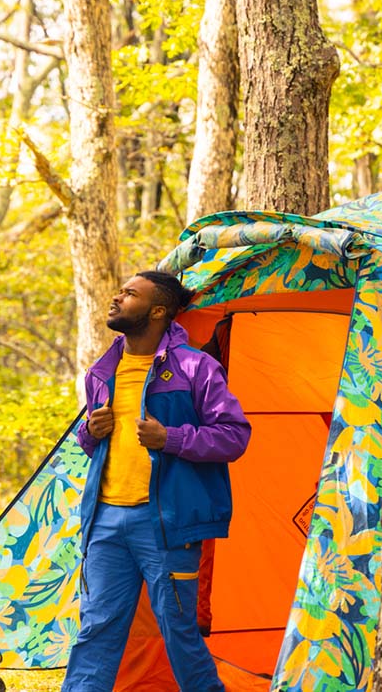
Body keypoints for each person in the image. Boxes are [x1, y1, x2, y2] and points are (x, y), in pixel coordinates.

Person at [61, 270, 251, 692]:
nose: (117, 298)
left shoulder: (195, 368)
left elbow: (235, 436)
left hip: (167, 523)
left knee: (179, 631)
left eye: (130, 294)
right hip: (105, 521)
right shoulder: (102, 371)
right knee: (97, 628)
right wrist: (90, 432)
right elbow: (94, 446)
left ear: (159, 310)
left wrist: (172, 438)